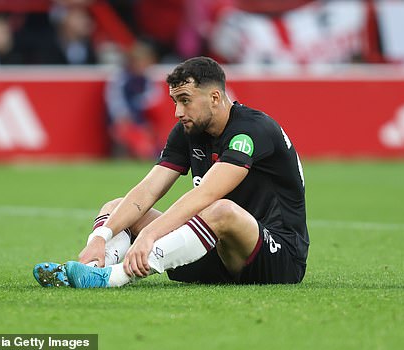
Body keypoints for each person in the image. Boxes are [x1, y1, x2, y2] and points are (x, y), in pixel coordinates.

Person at [33, 56, 309, 288]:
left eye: (186, 100)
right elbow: (148, 189)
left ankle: (113, 279)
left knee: (220, 209)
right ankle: (91, 267)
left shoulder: (252, 130)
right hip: (214, 250)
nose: (178, 112)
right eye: (175, 101)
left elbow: (206, 194)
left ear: (215, 97)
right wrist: (99, 238)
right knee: (117, 207)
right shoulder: (188, 131)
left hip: (276, 258)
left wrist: (149, 235)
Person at [104, 41, 161, 159]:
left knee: (150, 143)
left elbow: (153, 99)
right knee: (129, 138)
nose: (143, 65)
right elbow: (115, 101)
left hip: (140, 121)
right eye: (140, 62)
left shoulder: (147, 80)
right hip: (123, 121)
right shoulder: (121, 78)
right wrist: (122, 117)